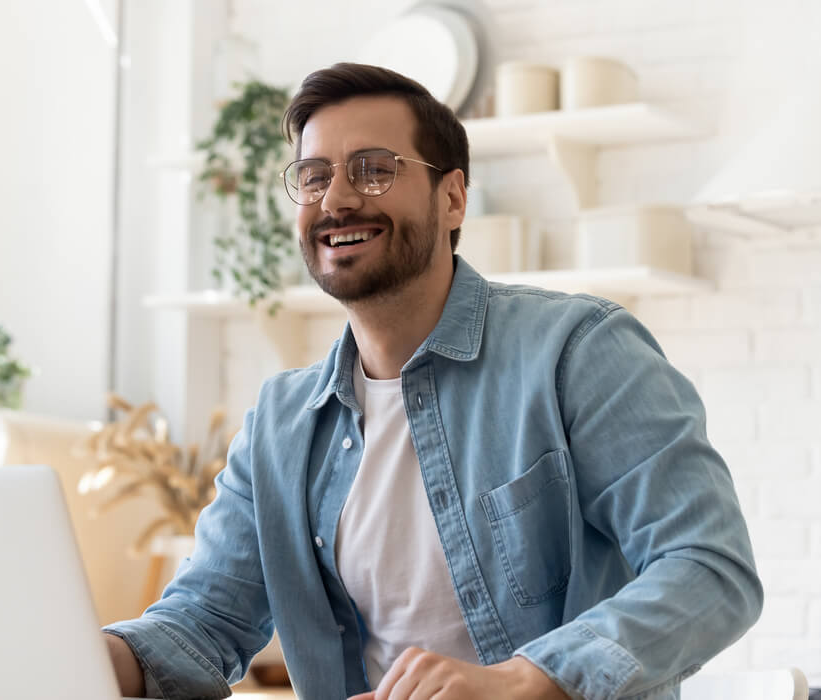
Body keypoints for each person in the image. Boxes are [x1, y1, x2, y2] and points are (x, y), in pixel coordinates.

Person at [103, 62, 762, 700]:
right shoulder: (279, 426)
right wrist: (83, 654)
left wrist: (523, 680)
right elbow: (202, 625)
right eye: (313, 176)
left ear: (452, 198)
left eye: (374, 169)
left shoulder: (577, 352)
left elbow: (709, 568)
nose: (336, 198)